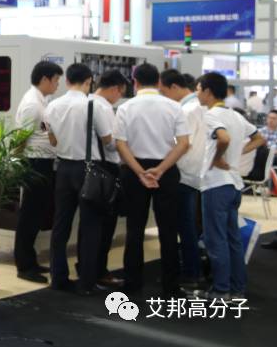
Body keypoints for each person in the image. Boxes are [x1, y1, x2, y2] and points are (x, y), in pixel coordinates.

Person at [113, 63, 190, 297]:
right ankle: (170, 286)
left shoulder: (125, 108)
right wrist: (161, 169)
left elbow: (120, 144)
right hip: (166, 170)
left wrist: (140, 172)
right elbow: (184, 144)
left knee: (134, 228)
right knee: (168, 229)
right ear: (158, 82)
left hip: (134, 171)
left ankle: (132, 283)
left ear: (134, 82)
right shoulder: (174, 107)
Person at [195, 73, 265, 299]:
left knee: (216, 239)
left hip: (216, 184)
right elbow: (259, 138)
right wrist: (237, 154)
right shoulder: (235, 115)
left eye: (198, 89)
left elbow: (223, 138)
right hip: (234, 184)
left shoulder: (211, 115)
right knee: (232, 238)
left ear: (207, 91)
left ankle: (221, 289)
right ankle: (237, 288)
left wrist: (217, 158)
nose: (197, 93)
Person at [44, 64, 109, 295]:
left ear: (67, 80)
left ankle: (58, 278)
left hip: (63, 168)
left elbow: (52, 140)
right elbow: (107, 138)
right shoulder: (93, 105)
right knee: (90, 226)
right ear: (89, 81)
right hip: (88, 169)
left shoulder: (52, 106)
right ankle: (86, 282)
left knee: (61, 225)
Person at [14, 60, 63, 284]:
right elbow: (20, 139)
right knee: (29, 215)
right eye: (56, 80)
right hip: (34, 163)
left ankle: (30, 260)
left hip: (43, 163)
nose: (57, 84)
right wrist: (20, 166)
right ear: (44, 79)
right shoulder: (32, 104)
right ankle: (24, 265)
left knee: (37, 215)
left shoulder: (42, 101)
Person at [158, 69, 207, 288]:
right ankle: (193, 271)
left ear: (175, 87)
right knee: (189, 226)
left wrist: (161, 166)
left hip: (183, 175)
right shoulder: (200, 107)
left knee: (184, 227)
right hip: (195, 174)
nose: (164, 96)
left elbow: (182, 145)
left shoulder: (186, 110)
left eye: (164, 92)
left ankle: (190, 273)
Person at [91, 70, 128, 290]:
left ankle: (88, 268)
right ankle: (99, 271)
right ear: (114, 88)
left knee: (91, 224)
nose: (119, 97)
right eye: (120, 93)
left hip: (88, 167)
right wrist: (125, 142)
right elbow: (110, 143)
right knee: (105, 224)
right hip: (106, 169)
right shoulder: (103, 107)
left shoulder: (85, 102)